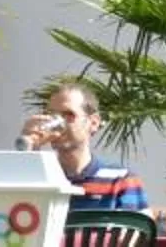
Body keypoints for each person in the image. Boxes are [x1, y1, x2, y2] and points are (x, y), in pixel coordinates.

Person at [18, 83, 147, 212]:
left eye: (68, 115)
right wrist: (30, 152)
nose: (57, 123)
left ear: (93, 123)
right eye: (51, 116)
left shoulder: (120, 181)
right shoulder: (38, 180)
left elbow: (138, 230)